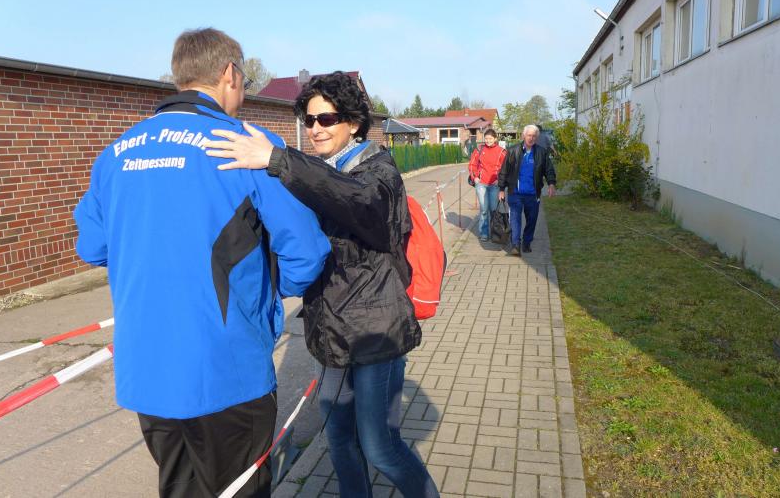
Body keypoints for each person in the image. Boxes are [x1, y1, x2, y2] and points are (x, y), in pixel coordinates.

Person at [73, 28, 330, 498]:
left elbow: (92, 247)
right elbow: (307, 252)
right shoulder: (246, 145)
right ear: (230, 73)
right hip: (226, 369)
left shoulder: (116, 153)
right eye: (244, 79)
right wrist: (267, 297)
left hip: (148, 371)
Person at [204, 71, 440, 498]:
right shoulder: (314, 171)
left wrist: (279, 160)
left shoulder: (378, 170)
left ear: (353, 122)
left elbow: (358, 201)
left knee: (381, 447)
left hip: (375, 331)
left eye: (327, 119)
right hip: (331, 330)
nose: (316, 129)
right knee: (338, 439)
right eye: (309, 120)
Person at [498, 124, 556, 255]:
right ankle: (515, 244)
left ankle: (527, 242)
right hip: (515, 193)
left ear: (537, 137)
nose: (531, 138)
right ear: (523, 136)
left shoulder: (541, 152)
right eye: (529, 135)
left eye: (534, 136)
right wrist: (501, 189)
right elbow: (504, 171)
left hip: (533, 194)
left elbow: (549, 169)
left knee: (532, 219)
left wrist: (551, 184)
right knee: (515, 219)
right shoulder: (512, 151)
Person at [468, 128, 507, 241]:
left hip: (495, 185)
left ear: (495, 139)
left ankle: (495, 233)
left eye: (490, 138)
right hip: (481, 185)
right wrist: (475, 177)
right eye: (486, 138)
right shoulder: (479, 150)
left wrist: (499, 180)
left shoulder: (502, 152)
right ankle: (484, 233)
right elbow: (472, 165)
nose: (488, 141)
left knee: (494, 210)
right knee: (484, 210)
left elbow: (506, 168)